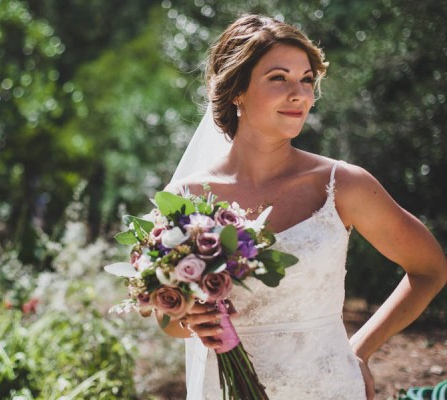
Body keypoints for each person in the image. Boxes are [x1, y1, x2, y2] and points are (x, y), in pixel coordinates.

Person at [161, 14, 447, 400]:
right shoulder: (186, 197)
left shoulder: (342, 185)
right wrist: (188, 318)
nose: (300, 93)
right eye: (279, 78)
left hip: (329, 388)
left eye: (307, 79)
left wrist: (359, 350)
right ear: (236, 90)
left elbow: (429, 269)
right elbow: (169, 318)